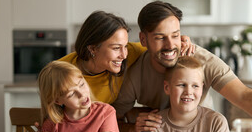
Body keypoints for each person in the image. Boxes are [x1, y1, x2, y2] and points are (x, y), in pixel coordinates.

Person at [112, 1, 252, 132]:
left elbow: (243, 96)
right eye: (159, 37)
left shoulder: (200, 59)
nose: (170, 45)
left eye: (175, 35)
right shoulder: (134, 73)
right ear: (143, 39)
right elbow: (113, 120)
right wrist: (131, 127)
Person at [59, 10, 195, 104]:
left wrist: (181, 40)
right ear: (93, 48)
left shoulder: (130, 52)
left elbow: (158, 46)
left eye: (125, 46)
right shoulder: (61, 71)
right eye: (116, 48)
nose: (124, 55)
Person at [136, 56, 231, 132]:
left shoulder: (216, 123)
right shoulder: (152, 125)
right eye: (181, 85)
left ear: (202, 89)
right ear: (167, 88)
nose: (188, 91)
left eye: (195, 86)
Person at [29, 61, 119, 132]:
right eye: (71, 94)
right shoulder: (52, 124)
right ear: (57, 101)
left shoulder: (105, 112)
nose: (82, 94)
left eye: (81, 84)